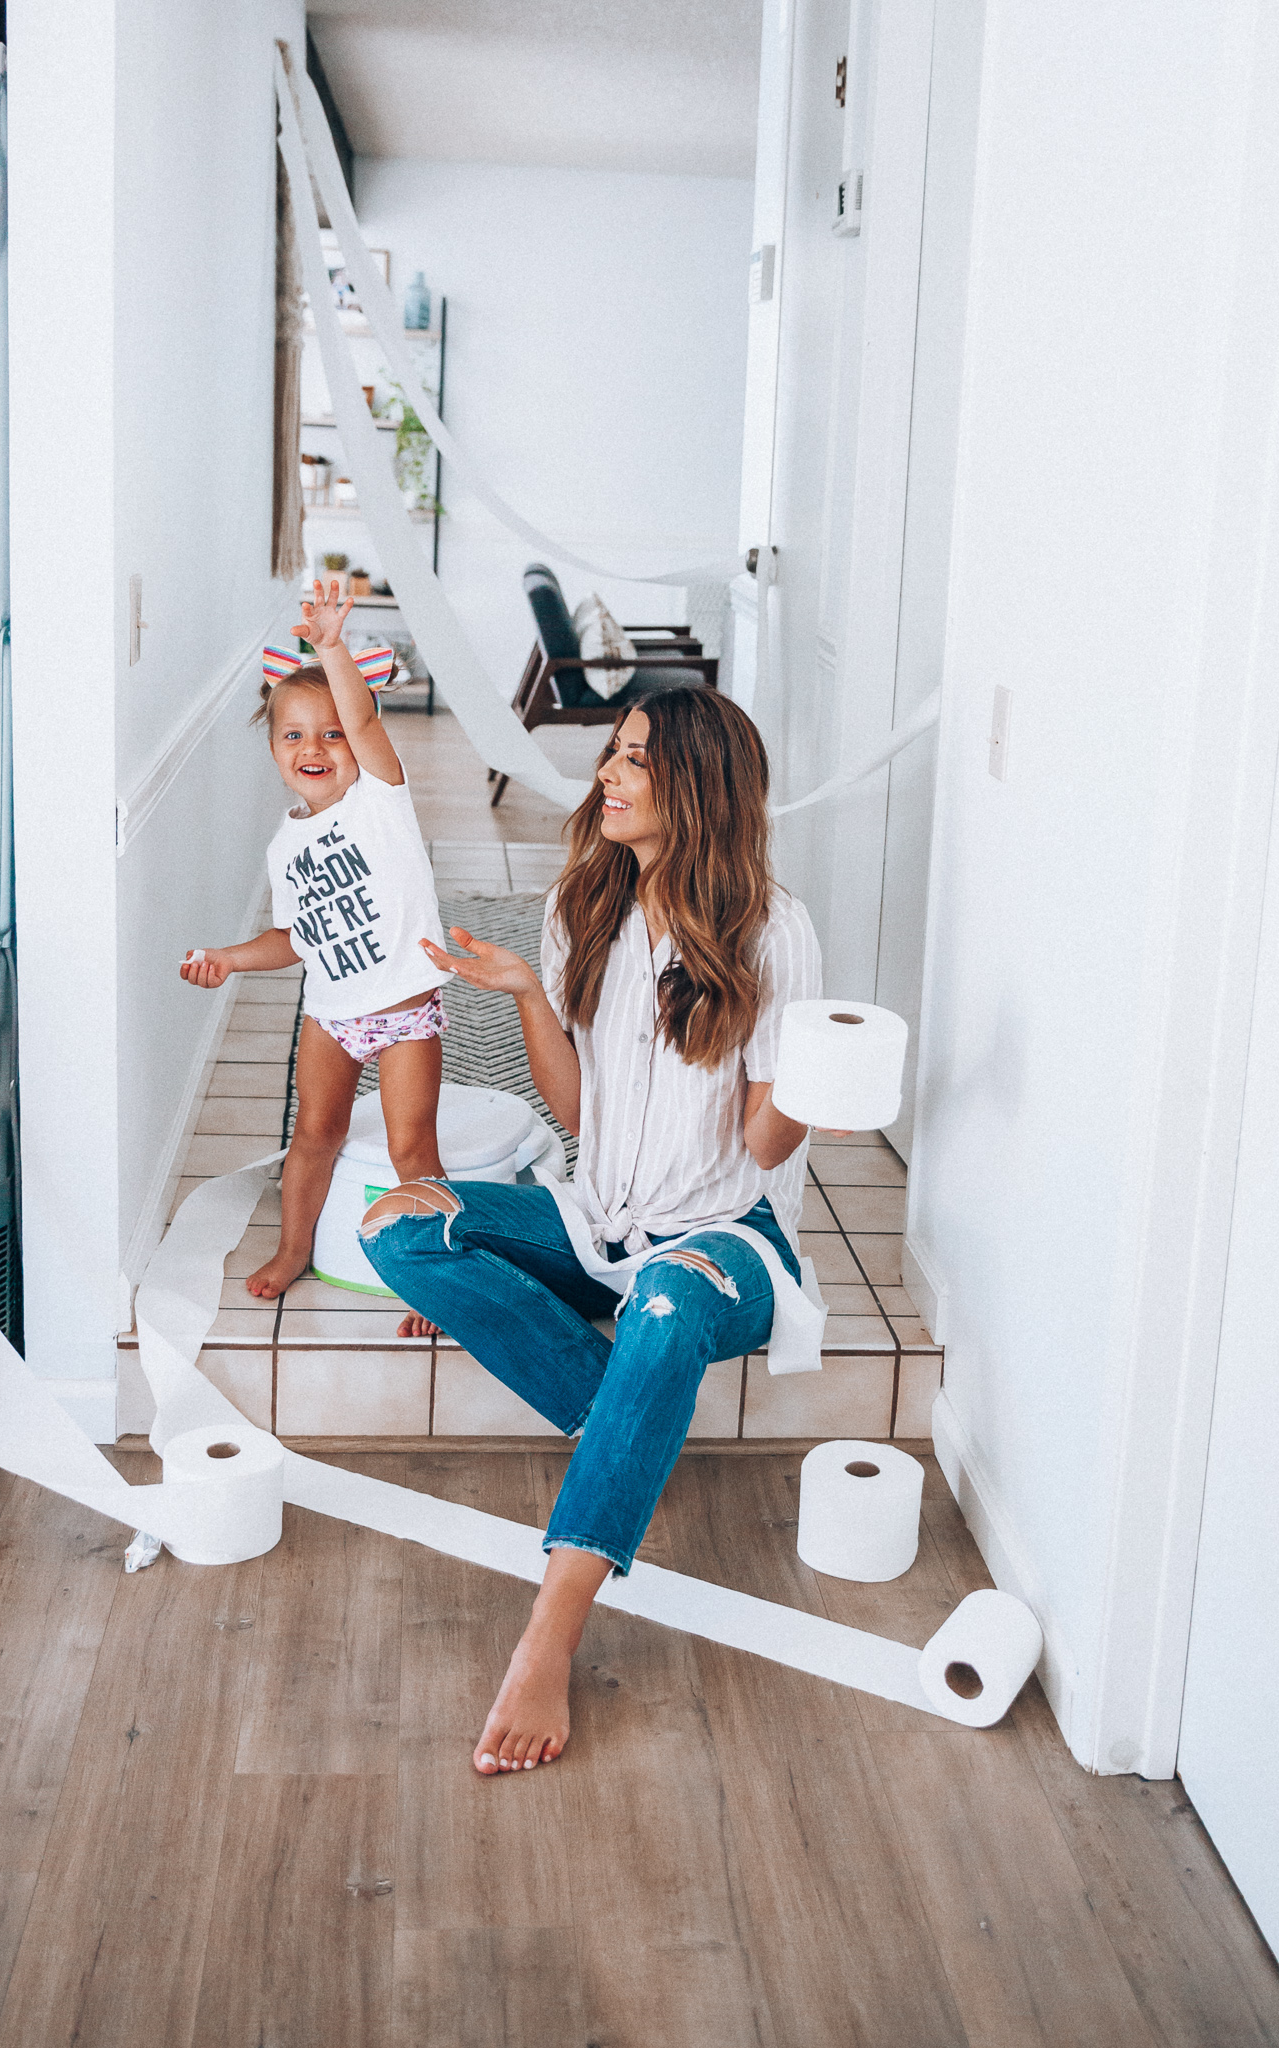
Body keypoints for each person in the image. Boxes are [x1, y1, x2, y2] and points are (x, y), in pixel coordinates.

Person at [359, 686, 822, 1776]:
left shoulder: (772, 927)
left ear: (700, 784)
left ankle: (547, 1637)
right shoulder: (587, 904)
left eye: (635, 761)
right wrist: (525, 990)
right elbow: (576, 1115)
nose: (607, 776)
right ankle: (623, 1410)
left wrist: (811, 1085)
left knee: (666, 1307)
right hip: (598, 1218)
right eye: (611, 755)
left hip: (725, 1241)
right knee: (398, 1231)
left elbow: (763, 1146)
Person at [181, 579, 446, 1300]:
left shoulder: (380, 798)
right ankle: (293, 1247)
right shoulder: (286, 844)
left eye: (331, 733)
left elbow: (364, 727)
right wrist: (230, 960)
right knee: (312, 1137)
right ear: (271, 748)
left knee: (411, 1148)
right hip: (331, 1013)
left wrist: (330, 647)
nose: (316, 748)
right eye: (294, 734)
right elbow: (294, 938)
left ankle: (436, 1280)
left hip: (402, 1012)